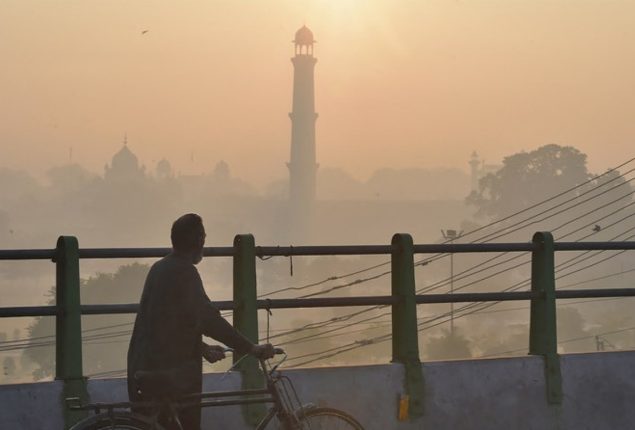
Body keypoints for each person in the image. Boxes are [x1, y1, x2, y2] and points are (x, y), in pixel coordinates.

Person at [127, 213, 274, 430]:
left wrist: (202, 347)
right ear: (199, 241)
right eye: (203, 237)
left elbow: (169, 324)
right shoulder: (184, 272)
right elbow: (208, 319)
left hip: (144, 366)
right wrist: (250, 348)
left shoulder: (160, 268)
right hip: (169, 373)